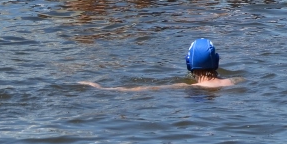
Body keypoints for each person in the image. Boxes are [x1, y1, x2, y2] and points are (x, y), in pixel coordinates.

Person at [79, 38, 236, 91]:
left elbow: (145, 89)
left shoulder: (189, 87)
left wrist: (101, 88)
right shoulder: (231, 82)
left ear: (189, 63)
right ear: (216, 61)